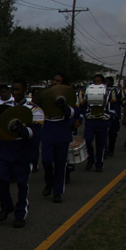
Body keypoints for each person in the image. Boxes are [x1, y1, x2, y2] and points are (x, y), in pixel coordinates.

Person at [0, 80, 43, 228]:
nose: (15, 93)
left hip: (23, 152)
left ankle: (20, 214)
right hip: (6, 150)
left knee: (22, 185)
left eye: (18, 90)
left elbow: (37, 132)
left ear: (24, 90)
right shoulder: (6, 108)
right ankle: (6, 206)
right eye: (13, 90)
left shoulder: (34, 109)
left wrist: (20, 130)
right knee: (1, 179)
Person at [41, 72, 81, 203]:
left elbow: (76, 113)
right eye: (54, 80)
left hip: (62, 132)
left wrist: (63, 106)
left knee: (60, 164)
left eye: (58, 81)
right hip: (48, 130)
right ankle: (49, 182)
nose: (54, 82)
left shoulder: (69, 96)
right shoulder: (46, 95)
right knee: (46, 161)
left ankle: (57, 191)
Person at [80, 74, 110, 172]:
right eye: (95, 81)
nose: (96, 83)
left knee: (101, 143)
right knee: (87, 140)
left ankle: (99, 163)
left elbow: (113, 108)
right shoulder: (88, 92)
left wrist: (108, 115)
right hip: (91, 121)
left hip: (102, 122)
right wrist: (86, 114)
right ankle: (90, 159)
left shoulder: (108, 93)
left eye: (99, 81)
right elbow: (83, 106)